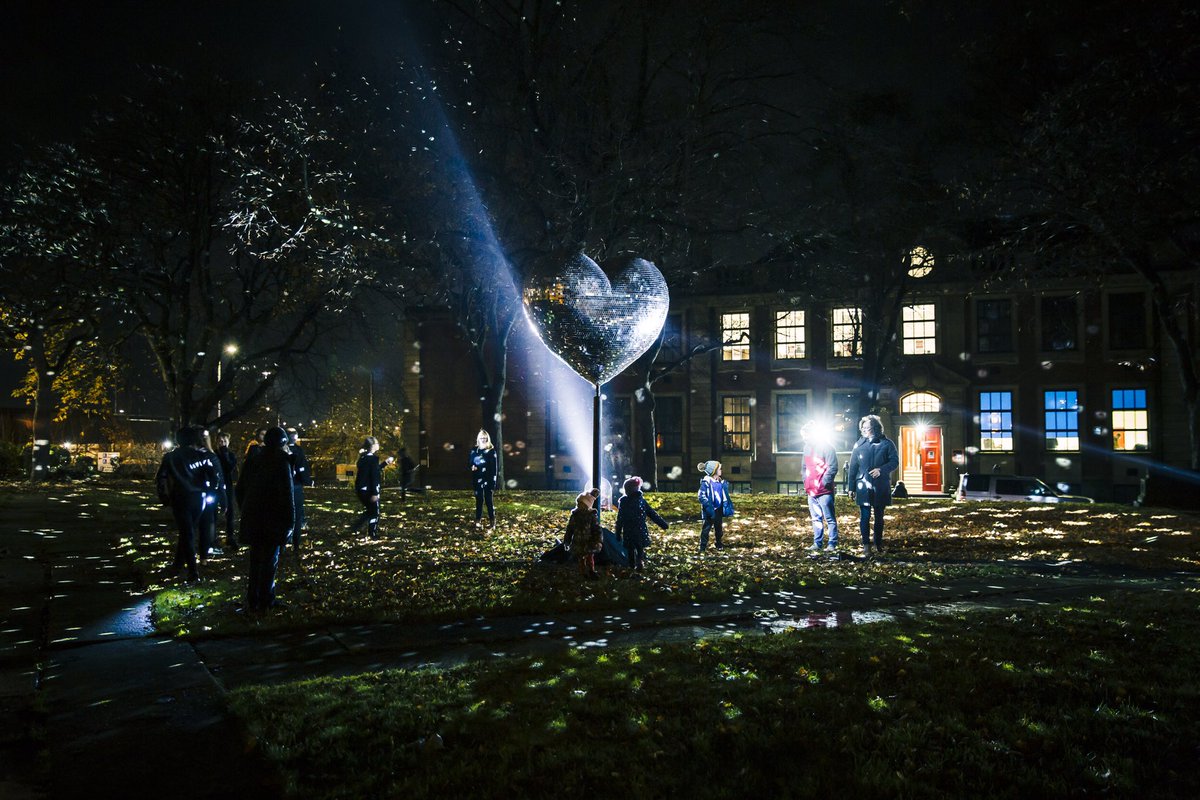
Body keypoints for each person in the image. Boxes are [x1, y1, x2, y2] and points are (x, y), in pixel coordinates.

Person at [235, 426, 295, 613]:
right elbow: (287, 494)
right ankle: (266, 600)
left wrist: (246, 508)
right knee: (270, 560)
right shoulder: (282, 462)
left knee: (255, 560)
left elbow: (240, 488)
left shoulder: (253, 459)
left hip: (253, 515)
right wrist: (290, 522)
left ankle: (253, 599)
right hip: (273, 517)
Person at [154, 426, 222, 583]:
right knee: (188, 531)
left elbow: (161, 478)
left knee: (187, 533)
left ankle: (192, 571)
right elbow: (214, 476)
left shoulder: (170, 457)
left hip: (179, 498)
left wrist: (164, 497)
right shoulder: (202, 456)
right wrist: (211, 491)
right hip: (199, 498)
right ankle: (180, 566)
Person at [846, 414, 900, 558]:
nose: (864, 430)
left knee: (879, 517)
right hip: (862, 486)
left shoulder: (887, 444)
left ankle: (878, 543)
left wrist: (881, 470)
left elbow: (894, 462)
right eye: (862, 428)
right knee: (864, 516)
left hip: (880, 485)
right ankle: (866, 545)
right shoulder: (858, 445)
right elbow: (853, 467)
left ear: (875, 428)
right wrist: (851, 487)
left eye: (867, 428)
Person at [801, 421, 840, 554]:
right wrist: (806, 482)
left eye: (806, 435)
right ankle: (817, 542)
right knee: (815, 518)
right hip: (811, 490)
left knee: (829, 518)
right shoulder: (806, 448)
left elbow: (833, 467)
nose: (804, 438)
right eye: (803, 436)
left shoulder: (827, 448)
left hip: (824, 491)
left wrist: (824, 482)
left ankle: (832, 543)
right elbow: (804, 467)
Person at [614, 476, 668, 571]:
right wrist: (662, 524)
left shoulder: (624, 502)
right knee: (639, 547)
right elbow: (652, 513)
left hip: (629, 530)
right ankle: (639, 562)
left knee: (631, 549)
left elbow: (620, 519)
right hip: (640, 529)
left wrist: (618, 532)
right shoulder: (641, 501)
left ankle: (633, 564)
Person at [197, 427, 224, 561]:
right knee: (208, 522)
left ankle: (203, 550)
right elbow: (218, 477)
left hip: (197, 495)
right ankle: (205, 550)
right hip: (206, 494)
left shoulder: (207, 455)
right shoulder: (209, 456)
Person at [563, 488, 602, 580]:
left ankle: (591, 571)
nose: (578, 505)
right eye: (578, 503)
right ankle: (583, 572)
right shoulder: (575, 515)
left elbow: (597, 529)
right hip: (578, 541)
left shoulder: (591, 516)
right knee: (581, 558)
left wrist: (597, 540)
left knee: (590, 557)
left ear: (586, 505)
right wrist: (567, 540)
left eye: (580, 503)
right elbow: (570, 528)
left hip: (589, 541)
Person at [697, 460, 734, 552]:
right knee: (706, 529)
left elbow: (724, 496)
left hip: (719, 510)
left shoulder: (720, 482)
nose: (721, 470)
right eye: (719, 469)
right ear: (714, 471)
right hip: (709, 510)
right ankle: (702, 546)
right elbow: (701, 496)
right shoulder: (706, 483)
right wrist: (708, 507)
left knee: (719, 529)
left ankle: (719, 543)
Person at [350, 436, 383, 538]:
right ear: (373, 446)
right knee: (374, 512)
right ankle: (372, 533)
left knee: (370, 511)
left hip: (361, 489)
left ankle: (356, 527)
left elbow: (372, 471)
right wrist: (375, 493)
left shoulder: (364, 458)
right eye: (377, 443)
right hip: (368, 490)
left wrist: (385, 463)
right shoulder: (372, 459)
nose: (378, 444)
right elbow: (374, 476)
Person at [287, 429, 313, 553]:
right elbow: (302, 466)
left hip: (287, 486)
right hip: (295, 485)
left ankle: (286, 541)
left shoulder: (281, 451)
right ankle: (295, 542)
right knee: (296, 514)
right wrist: (306, 480)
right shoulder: (298, 451)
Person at [214, 432, 240, 551]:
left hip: (228, 486)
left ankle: (230, 536)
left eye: (224, 441)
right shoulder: (213, 455)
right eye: (220, 441)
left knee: (230, 512)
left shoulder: (230, 455)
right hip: (215, 486)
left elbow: (230, 467)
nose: (222, 444)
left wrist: (225, 454)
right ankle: (213, 537)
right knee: (213, 512)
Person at [469, 429, 498, 526]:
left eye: (485, 438)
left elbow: (494, 468)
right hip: (477, 478)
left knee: (489, 500)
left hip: (488, 478)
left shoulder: (491, 451)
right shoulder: (474, 450)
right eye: (481, 438)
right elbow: (470, 462)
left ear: (488, 439)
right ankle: (478, 520)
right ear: (478, 439)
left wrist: (493, 481)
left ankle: (492, 520)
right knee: (479, 500)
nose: (483, 440)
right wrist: (472, 466)